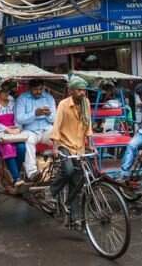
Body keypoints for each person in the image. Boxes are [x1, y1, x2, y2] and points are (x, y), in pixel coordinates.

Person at [48, 76, 93, 227]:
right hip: (64, 144)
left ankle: (75, 218)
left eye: (84, 90)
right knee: (67, 170)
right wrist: (55, 146)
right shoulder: (63, 104)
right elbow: (57, 126)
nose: (82, 93)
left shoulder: (86, 103)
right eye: (79, 90)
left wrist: (90, 143)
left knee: (77, 182)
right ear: (72, 91)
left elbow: (89, 125)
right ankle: (51, 192)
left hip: (79, 146)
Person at [0, 84, 29, 186]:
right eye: (4, 91)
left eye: (8, 91)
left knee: (22, 148)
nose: (7, 93)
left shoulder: (12, 101)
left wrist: (18, 127)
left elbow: (18, 117)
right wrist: (7, 129)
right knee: (8, 147)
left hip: (14, 133)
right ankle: (16, 178)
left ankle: (14, 172)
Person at [16, 79, 57, 180]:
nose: (38, 92)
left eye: (40, 89)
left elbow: (54, 119)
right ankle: (32, 173)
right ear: (30, 88)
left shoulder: (49, 98)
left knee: (59, 135)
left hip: (46, 129)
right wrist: (34, 114)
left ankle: (59, 168)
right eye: (35, 89)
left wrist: (49, 114)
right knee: (28, 141)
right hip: (30, 130)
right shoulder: (22, 98)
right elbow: (19, 118)